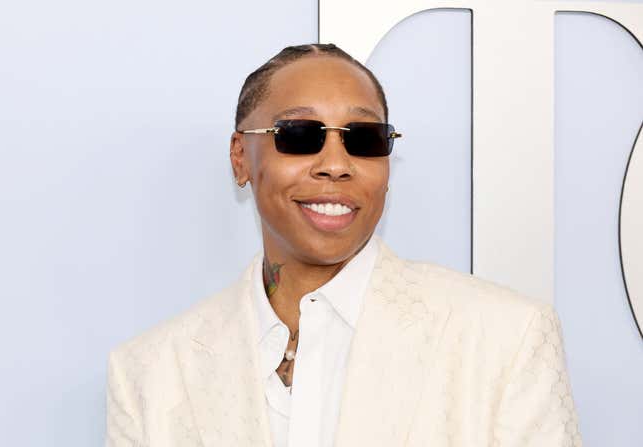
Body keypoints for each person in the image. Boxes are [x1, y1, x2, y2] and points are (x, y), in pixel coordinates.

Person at [105, 43, 583, 447]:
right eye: (298, 135)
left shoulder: (505, 339)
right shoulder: (150, 374)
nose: (336, 163)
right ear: (240, 157)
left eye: (364, 139)